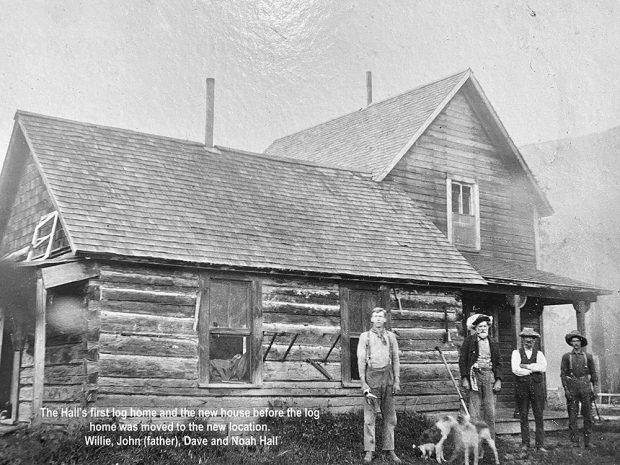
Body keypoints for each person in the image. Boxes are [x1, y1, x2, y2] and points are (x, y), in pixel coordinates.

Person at [357, 307, 401, 463]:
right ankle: (369, 450)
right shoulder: (365, 337)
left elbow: (395, 359)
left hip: (388, 379)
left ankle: (390, 449)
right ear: (371, 319)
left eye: (380, 316)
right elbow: (361, 360)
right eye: (375, 316)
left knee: (390, 417)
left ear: (385, 320)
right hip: (372, 379)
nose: (377, 319)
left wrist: (396, 380)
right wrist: (363, 382)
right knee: (370, 417)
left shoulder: (391, 337)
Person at [459, 314, 502, 438]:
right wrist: (465, 378)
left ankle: (490, 442)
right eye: (480, 326)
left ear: (488, 327)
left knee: (490, 412)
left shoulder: (493, 342)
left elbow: (499, 362)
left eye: (485, 326)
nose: (483, 329)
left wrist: (498, 380)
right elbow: (462, 361)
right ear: (475, 328)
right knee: (474, 412)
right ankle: (475, 443)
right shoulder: (469, 341)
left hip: (489, 377)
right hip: (474, 377)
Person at [560, 330, 599, 448]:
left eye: (578, 340)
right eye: (573, 341)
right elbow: (563, 373)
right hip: (572, 386)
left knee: (587, 415)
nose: (576, 343)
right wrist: (566, 389)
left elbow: (593, 374)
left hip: (585, 386)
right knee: (572, 415)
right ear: (571, 343)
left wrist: (595, 388)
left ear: (581, 343)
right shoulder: (567, 357)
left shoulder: (588, 357)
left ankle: (588, 442)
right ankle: (574, 441)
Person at [511, 327, 547, 452]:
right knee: (523, 415)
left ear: (534, 341)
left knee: (539, 415)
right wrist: (533, 368)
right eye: (526, 340)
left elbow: (542, 368)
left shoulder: (540, 354)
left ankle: (540, 444)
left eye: (531, 340)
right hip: (522, 387)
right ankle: (525, 443)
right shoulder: (516, 353)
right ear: (522, 340)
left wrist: (526, 366)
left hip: (537, 388)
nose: (528, 342)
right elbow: (516, 369)